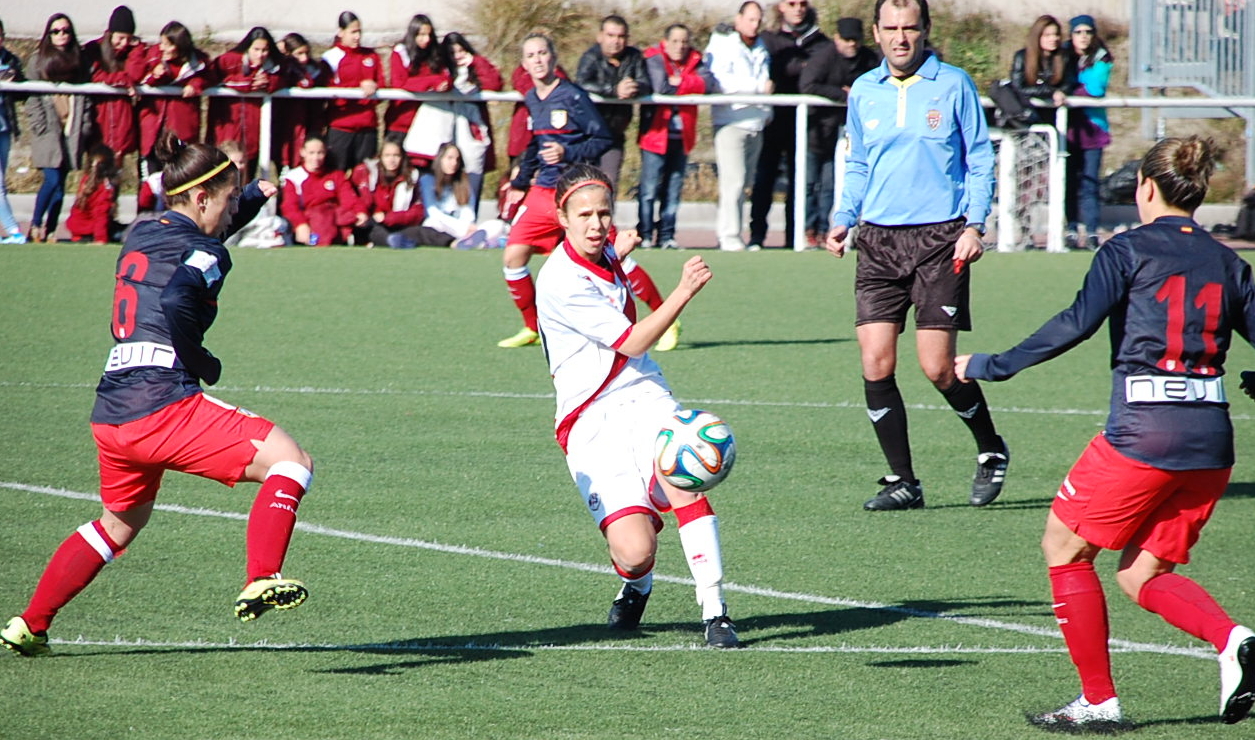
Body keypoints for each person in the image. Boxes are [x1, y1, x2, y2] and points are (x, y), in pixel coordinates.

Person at [956, 135, 1255, 730]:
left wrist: (993, 364)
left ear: (1146, 187)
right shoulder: (1230, 262)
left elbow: (1076, 323)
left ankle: (1098, 701)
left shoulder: (1128, 250)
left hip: (1145, 433)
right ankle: (1237, 641)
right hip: (1212, 443)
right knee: (1140, 573)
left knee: (1065, 550)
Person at [0, 133, 312, 658]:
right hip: (162, 404)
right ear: (201, 198)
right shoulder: (207, 251)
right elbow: (177, 294)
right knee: (290, 460)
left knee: (118, 524)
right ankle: (263, 575)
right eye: (229, 197)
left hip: (112, 411)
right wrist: (201, 360)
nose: (234, 207)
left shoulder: (143, 232)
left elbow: (202, 236)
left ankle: (29, 623)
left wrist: (256, 191)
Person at [535, 163, 741, 649]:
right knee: (633, 551)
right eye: (583, 214)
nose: (596, 223)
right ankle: (637, 584)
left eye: (603, 213)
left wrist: (617, 248)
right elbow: (630, 341)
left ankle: (715, 613)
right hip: (588, 419)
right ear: (561, 217)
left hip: (644, 394)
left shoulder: (602, 249)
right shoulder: (559, 281)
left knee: (685, 469)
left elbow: (610, 265)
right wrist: (683, 292)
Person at [824, 0, 1006, 511]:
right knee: (876, 362)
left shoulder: (953, 84)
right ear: (877, 34)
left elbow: (978, 158)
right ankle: (903, 481)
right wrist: (844, 217)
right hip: (878, 241)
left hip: (939, 241)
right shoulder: (863, 90)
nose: (901, 38)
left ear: (925, 31)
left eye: (910, 28)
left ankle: (991, 449)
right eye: (891, 28)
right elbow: (858, 160)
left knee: (937, 368)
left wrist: (974, 225)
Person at [497, 33, 675, 353]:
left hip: (574, 192)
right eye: (531, 55)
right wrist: (520, 183)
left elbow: (603, 139)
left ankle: (667, 318)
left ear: (554, 57)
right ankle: (532, 326)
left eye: (543, 53)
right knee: (513, 256)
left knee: (615, 255)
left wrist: (566, 152)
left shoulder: (573, 96)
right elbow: (536, 145)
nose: (538, 59)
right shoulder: (533, 98)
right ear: (524, 64)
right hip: (542, 191)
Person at [748, 0, 828, 250]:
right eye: (791, 3)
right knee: (764, 181)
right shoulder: (769, 39)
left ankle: (794, 238)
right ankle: (756, 237)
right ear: (781, 7)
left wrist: (802, 68)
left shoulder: (821, 42)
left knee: (800, 183)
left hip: (806, 126)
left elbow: (816, 73)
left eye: (802, 3)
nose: (798, 8)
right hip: (771, 123)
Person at [637, 24, 717, 251]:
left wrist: (681, 83)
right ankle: (644, 234)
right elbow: (660, 85)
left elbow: (708, 84)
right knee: (649, 190)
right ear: (665, 41)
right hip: (655, 136)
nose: (680, 46)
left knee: (673, 191)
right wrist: (688, 85)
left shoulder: (695, 60)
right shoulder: (653, 57)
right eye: (675, 41)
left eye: (684, 41)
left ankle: (666, 236)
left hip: (681, 138)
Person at [799, 17, 878, 246]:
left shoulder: (869, 59)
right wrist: (844, 94)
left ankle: (826, 231)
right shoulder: (823, 57)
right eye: (846, 40)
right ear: (836, 38)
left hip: (847, 134)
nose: (852, 45)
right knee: (809, 184)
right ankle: (808, 230)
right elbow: (807, 85)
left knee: (831, 184)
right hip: (816, 132)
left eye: (856, 40)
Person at [704, 2, 772, 253]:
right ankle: (729, 235)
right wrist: (756, 89)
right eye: (750, 19)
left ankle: (735, 233)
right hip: (731, 121)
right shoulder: (722, 43)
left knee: (744, 183)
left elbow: (766, 80)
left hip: (756, 122)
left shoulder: (761, 46)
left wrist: (767, 111)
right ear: (739, 18)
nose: (754, 25)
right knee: (732, 182)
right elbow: (720, 81)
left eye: (758, 20)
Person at [25, 12, 91, 243]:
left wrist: (84, 127)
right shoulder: (38, 60)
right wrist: (39, 124)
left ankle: (50, 230)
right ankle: (35, 225)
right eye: (56, 31)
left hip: (70, 128)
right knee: (51, 180)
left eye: (65, 31)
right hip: (48, 130)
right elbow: (31, 96)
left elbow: (88, 96)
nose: (61, 35)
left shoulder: (79, 60)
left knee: (61, 187)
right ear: (49, 35)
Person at [575, 15, 651, 190]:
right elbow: (581, 82)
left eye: (621, 36)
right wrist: (614, 90)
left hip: (614, 135)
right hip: (587, 134)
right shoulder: (591, 57)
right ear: (600, 36)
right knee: (584, 184)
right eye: (611, 35)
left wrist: (633, 88)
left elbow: (646, 84)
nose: (616, 41)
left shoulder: (634, 57)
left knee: (609, 184)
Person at [130, 21, 211, 179]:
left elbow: (210, 77)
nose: (162, 48)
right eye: (161, 43)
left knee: (180, 180)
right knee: (149, 181)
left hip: (181, 130)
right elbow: (135, 76)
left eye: (167, 45)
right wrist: (155, 76)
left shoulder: (198, 62)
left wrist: (196, 84)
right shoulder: (153, 56)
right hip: (153, 129)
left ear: (180, 45)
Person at [1064, 14, 1114, 251]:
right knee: (1068, 181)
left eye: (1088, 32)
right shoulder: (1064, 56)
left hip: (1092, 129)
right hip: (1068, 128)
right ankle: (1071, 228)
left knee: (1090, 183)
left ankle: (1092, 230)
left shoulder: (1102, 58)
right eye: (1078, 32)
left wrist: (1068, 89)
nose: (1083, 37)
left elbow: (1094, 89)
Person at [81, 6, 144, 184]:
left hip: (121, 123)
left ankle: (109, 210)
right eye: (120, 38)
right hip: (99, 121)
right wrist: (123, 79)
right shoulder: (94, 49)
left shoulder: (133, 52)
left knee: (114, 176)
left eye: (128, 38)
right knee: (93, 175)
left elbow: (136, 74)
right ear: (110, 33)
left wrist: (137, 49)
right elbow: (96, 76)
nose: (124, 43)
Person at [443, 31, 503, 212]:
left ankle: (470, 221)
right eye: (452, 52)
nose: (457, 56)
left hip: (473, 133)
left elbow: (494, 84)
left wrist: (476, 62)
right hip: (447, 129)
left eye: (461, 50)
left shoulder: (475, 68)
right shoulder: (443, 72)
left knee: (472, 175)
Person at [349, 139, 446, 248]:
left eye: (396, 155)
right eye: (387, 155)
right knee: (375, 231)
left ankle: (453, 242)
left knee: (423, 231)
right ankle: (392, 241)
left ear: (402, 158)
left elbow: (417, 212)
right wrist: (363, 214)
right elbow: (356, 200)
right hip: (371, 225)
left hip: (398, 223)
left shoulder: (412, 177)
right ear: (380, 157)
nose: (392, 160)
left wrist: (388, 218)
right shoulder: (365, 174)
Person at [384, 14, 451, 162]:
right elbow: (400, 83)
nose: (426, 40)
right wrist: (432, 82)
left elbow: (446, 77)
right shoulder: (400, 52)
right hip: (401, 123)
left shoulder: (435, 53)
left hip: (428, 123)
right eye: (421, 35)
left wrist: (443, 84)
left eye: (428, 35)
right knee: (396, 167)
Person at [321, 11, 382, 172]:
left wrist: (373, 88)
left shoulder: (371, 56)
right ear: (341, 32)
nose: (357, 36)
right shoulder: (330, 57)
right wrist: (358, 87)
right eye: (353, 32)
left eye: (359, 32)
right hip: (340, 127)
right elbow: (327, 90)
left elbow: (382, 86)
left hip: (367, 127)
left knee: (365, 176)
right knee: (336, 174)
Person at [419, 141, 508, 249]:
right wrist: (463, 227)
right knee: (431, 223)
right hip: (446, 228)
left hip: (466, 230)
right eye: (449, 158)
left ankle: (472, 241)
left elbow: (468, 211)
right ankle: (483, 243)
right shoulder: (427, 180)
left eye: (457, 159)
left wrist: (468, 227)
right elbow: (433, 213)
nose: (454, 163)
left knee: (497, 225)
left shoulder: (464, 181)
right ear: (440, 159)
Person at [280, 134, 366, 246]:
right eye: (311, 153)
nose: (316, 158)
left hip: (334, 218)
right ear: (303, 152)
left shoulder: (336, 175)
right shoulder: (294, 177)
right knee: (320, 216)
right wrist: (301, 224)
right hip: (310, 219)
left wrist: (360, 211)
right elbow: (289, 206)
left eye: (320, 153)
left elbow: (349, 198)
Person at [274, 33, 329, 170]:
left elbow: (310, 83)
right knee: (285, 164)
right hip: (286, 125)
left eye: (306, 53)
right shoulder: (284, 68)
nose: (304, 58)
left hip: (311, 122)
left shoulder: (315, 68)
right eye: (299, 54)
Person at [1007, 15, 1069, 124]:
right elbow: (1018, 87)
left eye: (1056, 34)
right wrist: (1051, 92)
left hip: (1054, 115)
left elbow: (1068, 84)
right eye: (1047, 35)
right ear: (1037, 36)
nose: (1053, 39)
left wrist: (1060, 92)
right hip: (1027, 116)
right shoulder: (1021, 57)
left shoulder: (1064, 57)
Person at [0, 18, 27, 243]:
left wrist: (15, 79)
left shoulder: (9, 59)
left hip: (4, 128)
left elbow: (22, 92)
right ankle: (14, 231)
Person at [66, 144, 120, 243]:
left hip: (77, 229)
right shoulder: (104, 188)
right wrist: (100, 239)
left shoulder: (86, 181)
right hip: (90, 232)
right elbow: (100, 214)